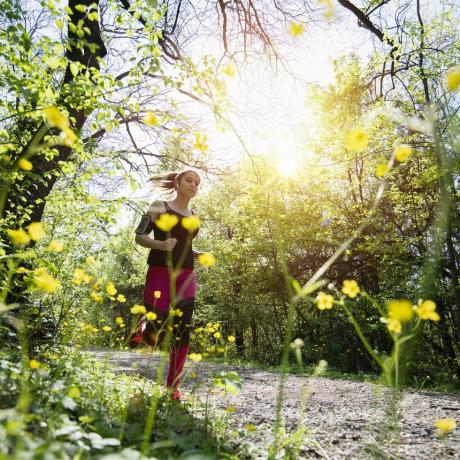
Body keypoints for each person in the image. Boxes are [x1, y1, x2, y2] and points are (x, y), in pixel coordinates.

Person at [132, 170, 201, 400]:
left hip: (186, 274)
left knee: (183, 329)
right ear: (177, 182)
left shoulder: (194, 215)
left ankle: (173, 387)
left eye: (197, 182)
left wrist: (195, 253)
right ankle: (142, 328)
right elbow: (139, 236)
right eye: (189, 180)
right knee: (156, 327)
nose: (194, 184)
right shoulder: (159, 206)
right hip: (160, 270)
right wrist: (161, 245)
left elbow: (184, 245)